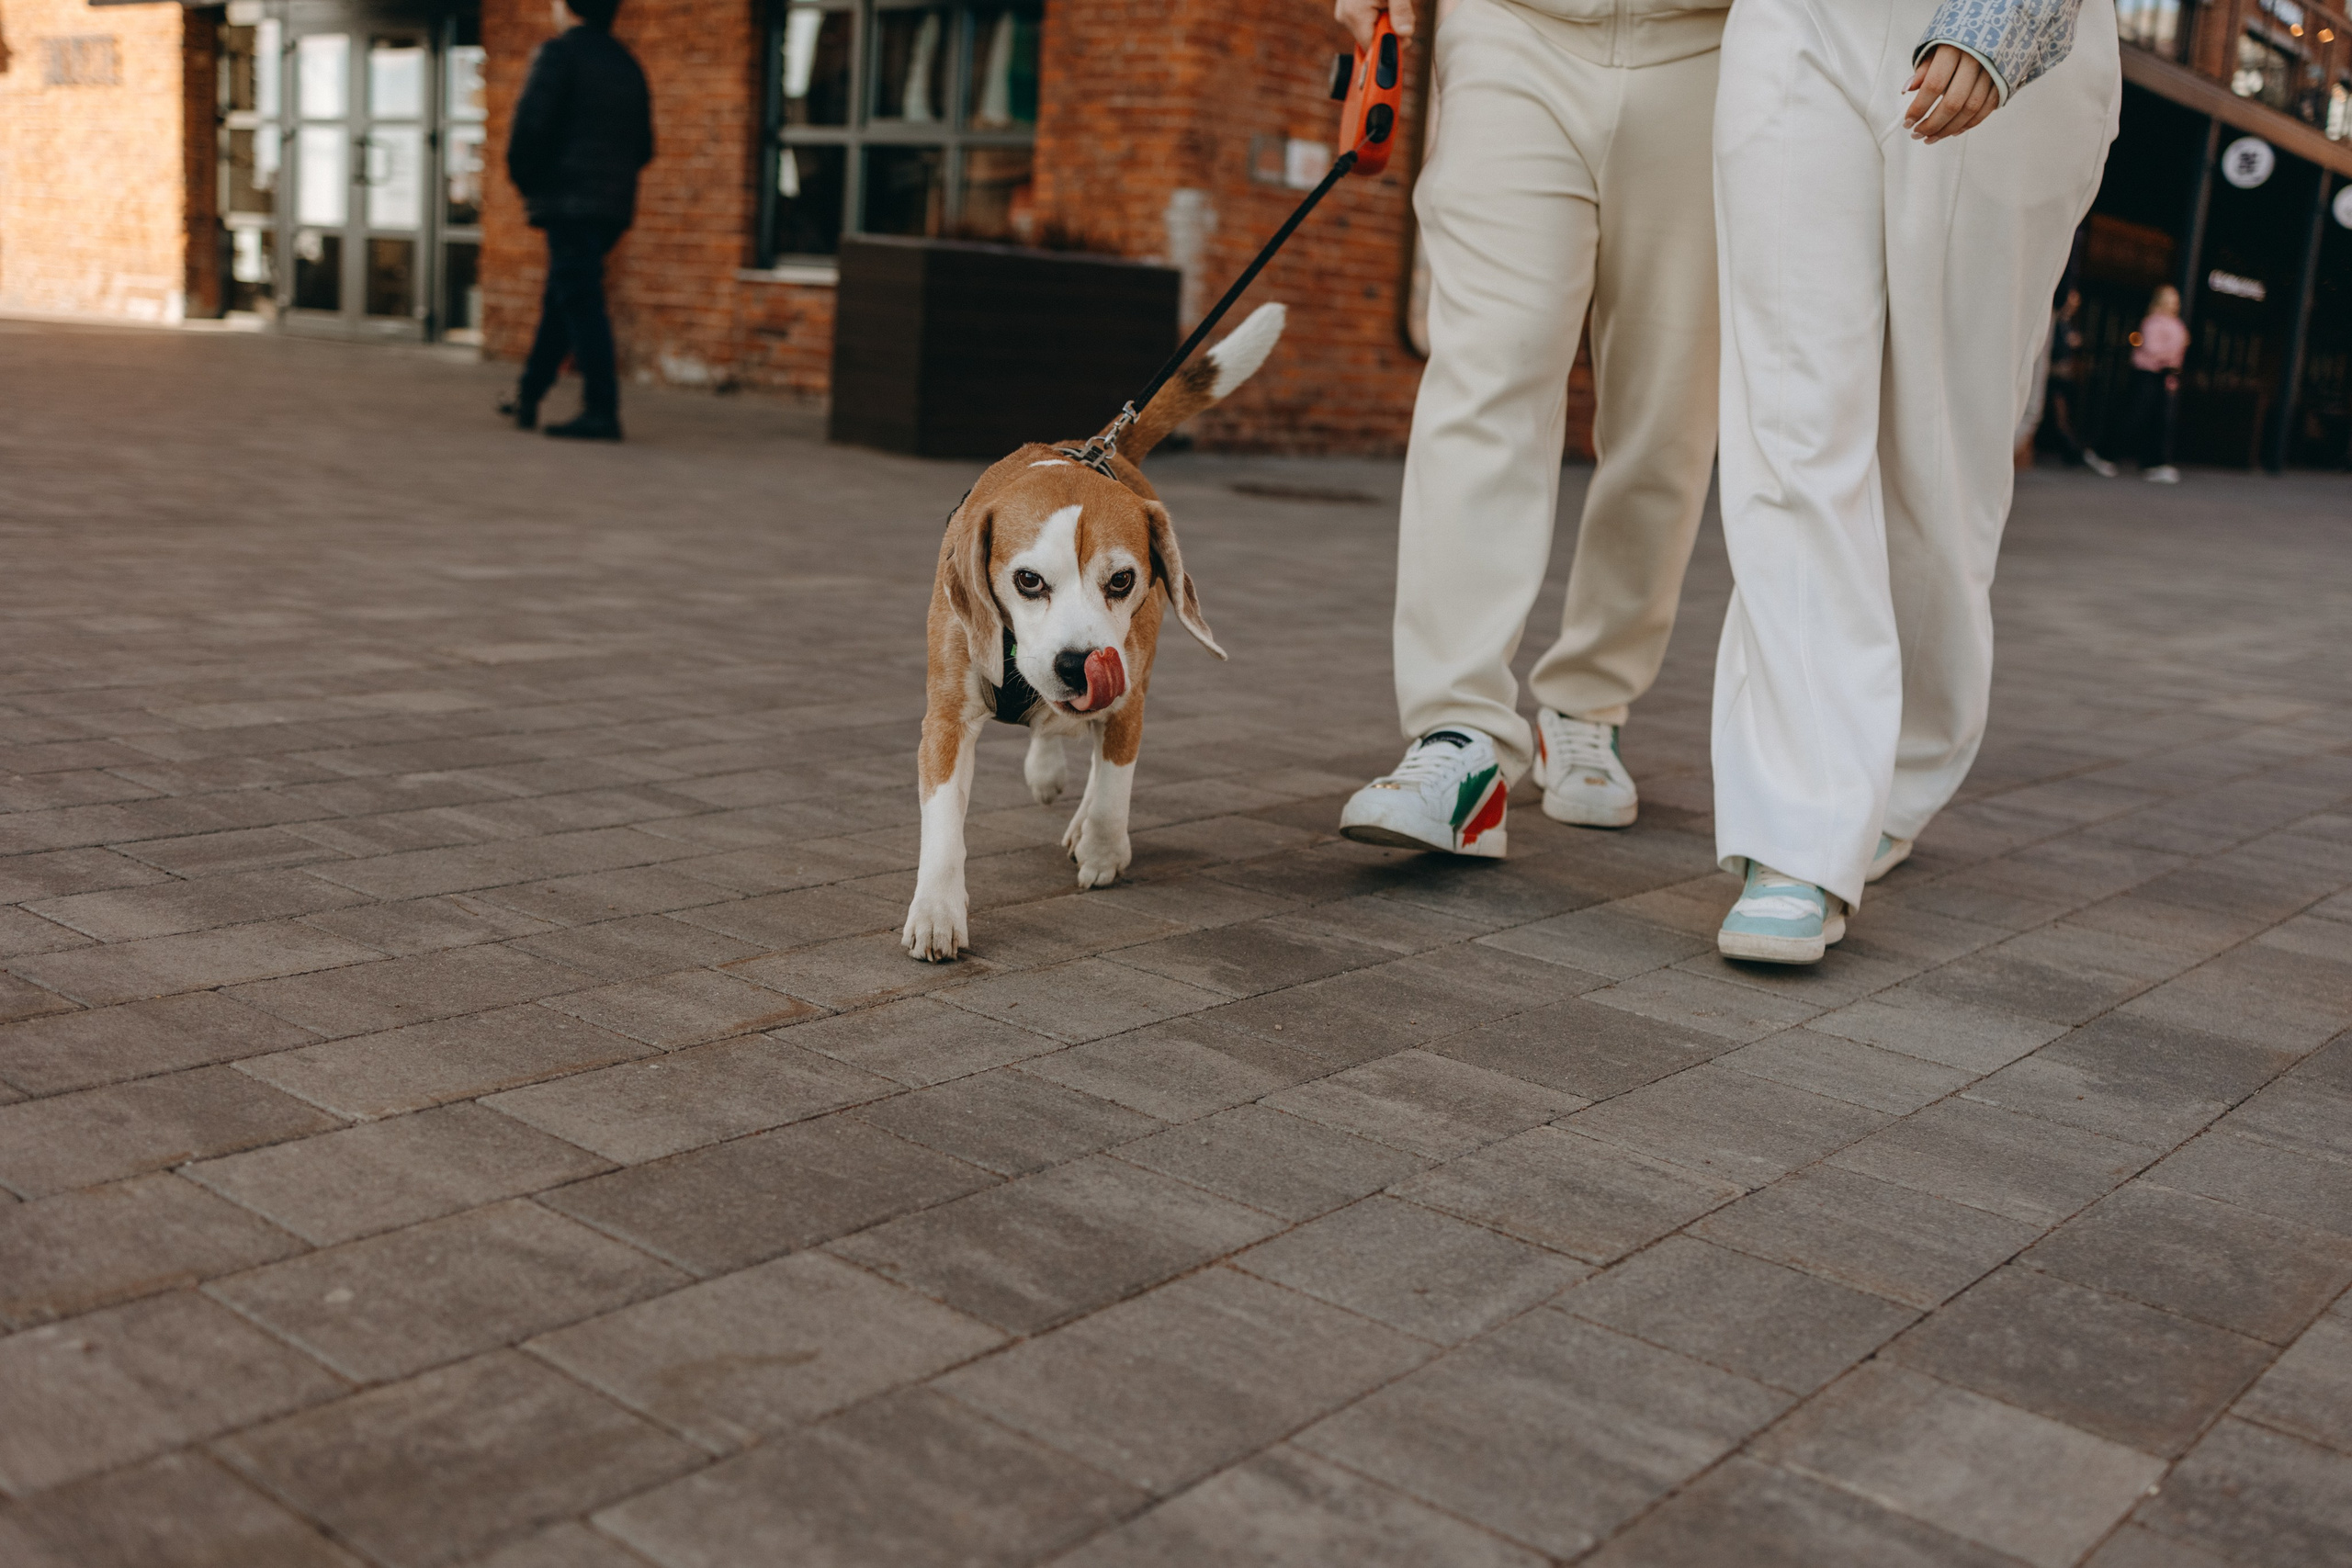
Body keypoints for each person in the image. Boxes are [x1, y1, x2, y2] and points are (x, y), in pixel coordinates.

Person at [1708, 0, 2120, 964]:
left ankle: (1906, 761)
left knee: (1942, 459)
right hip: (1799, 19)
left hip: (2005, 36)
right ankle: (1801, 828)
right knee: (1791, 425)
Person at [1334, 0, 1727, 859]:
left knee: (1667, 416)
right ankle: (1459, 733)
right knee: (1487, 370)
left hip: (1710, 46)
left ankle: (1590, 699)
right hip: (1512, 29)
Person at [501, 0, 654, 442]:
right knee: (564, 296)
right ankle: (529, 393)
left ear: (568, 8)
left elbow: (529, 129)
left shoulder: (559, 54)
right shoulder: (627, 63)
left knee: (580, 300)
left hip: (568, 202)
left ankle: (601, 409)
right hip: (611, 207)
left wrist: (530, 183)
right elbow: (645, 145)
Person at [2045, 288, 2117, 476]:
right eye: (2071, 301)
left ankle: (2073, 452)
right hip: (2054, 375)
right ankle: (2074, 453)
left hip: (2063, 377)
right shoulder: (2055, 322)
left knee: (2062, 415)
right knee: (2058, 416)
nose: (2074, 306)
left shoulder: (2067, 324)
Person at [2125, 285, 2188, 484]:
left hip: (2166, 377)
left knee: (2162, 420)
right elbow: (2152, 348)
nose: (2172, 305)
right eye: (2168, 301)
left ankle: (2155, 463)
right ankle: (2108, 452)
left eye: (2175, 301)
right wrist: (2169, 357)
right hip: (2148, 374)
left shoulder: (2177, 324)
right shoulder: (2152, 322)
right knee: (2136, 415)